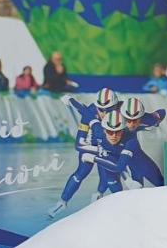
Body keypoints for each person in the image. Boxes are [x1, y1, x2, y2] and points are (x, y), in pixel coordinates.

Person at [47, 87, 120, 217]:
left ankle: (100, 194)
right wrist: (97, 150)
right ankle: (62, 201)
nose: (104, 113)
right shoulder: (89, 114)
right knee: (81, 172)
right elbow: (79, 144)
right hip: (91, 146)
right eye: (101, 109)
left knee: (109, 176)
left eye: (108, 110)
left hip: (107, 145)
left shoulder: (120, 112)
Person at [119, 97, 167, 186]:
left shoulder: (149, 119)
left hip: (133, 150)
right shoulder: (115, 119)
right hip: (121, 149)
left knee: (160, 182)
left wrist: (156, 123)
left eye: (135, 120)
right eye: (128, 120)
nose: (131, 124)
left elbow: (162, 112)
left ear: (141, 117)